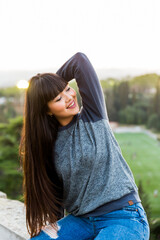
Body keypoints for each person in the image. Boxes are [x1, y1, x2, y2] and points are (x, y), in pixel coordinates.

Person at [20, 52, 150, 240]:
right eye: (57, 99)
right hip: (80, 221)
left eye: (67, 89)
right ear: (46, 110)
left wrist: (47, 86)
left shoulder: (93, 116)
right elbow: (56, 197)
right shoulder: (47, 145)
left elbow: (79, 61)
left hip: (123, 216)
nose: (69, 97)